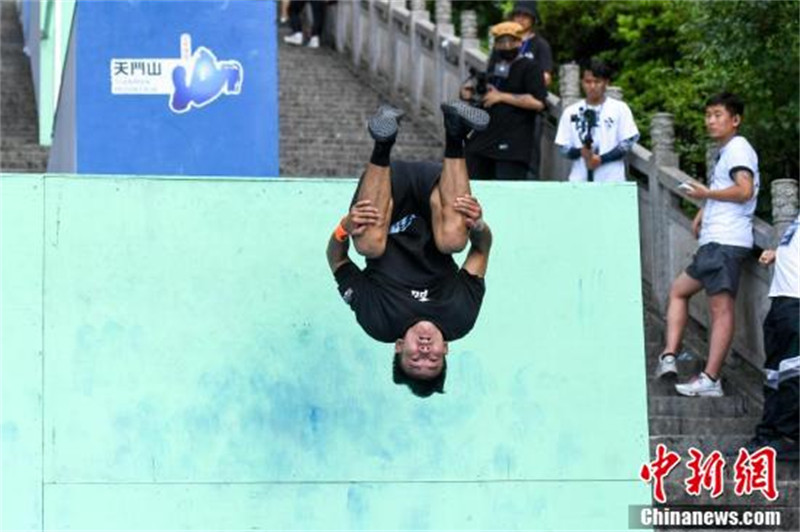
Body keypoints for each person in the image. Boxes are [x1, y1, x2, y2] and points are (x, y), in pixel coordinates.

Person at [327, 102, 493, 397]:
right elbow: (480, 252)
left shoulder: (379, 321)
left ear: (400, 347)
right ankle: (455, 132)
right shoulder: (460, 317)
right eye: (433, 359)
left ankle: (383, 142)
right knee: (455, 240)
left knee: (367, 245)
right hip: (437, 199)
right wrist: (478, 225)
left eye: (415, 358)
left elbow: (337, 260)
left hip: (384, 194)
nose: (425, 351)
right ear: (446, 349)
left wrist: (345, 227)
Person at [654, 92, 760, 398]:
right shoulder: (726, 151)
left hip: (727, 241)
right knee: (679, 290)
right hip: (716, 241)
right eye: (708, 115)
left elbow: (744, 190)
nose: (710, 121)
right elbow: (728, 188)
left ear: (735, 120)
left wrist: (705, 196)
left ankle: (711, 378)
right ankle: (669, 356)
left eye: (717, 115)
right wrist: (704, 210)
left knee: (721, 309)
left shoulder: (739, 148)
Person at [461, 22, 547, 181]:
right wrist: (470, 93)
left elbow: (538, 102)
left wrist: (501, 96)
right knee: (473, 187)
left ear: (520, 42)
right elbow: (486, 93)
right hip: (484, 140)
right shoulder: (494, 67)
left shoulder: (531, 67)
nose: (506, 46)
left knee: (507, 193)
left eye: (511, 41)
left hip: (512, 145)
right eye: (501, 42)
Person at [745, 215, 799, 460]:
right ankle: (768, 434)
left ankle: (791, 438)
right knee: (773, 375)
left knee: (793, 373)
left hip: (797, 303)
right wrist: (778, 252)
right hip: (781, 299)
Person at [554, 58, 639, 183]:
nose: (592, 86)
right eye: (588, 82)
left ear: (606, 83)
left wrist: (601, 159)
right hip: (579, 180)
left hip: (612, 179)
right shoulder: (571, 112)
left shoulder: (620, 108)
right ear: (582, 82)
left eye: (597, 82)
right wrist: (580, 152)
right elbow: (563, 147)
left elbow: (628, 142)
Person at [510, 1, 553, 87]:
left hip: (528, 95)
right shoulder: (504, 42)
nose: (521, 19)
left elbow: (546, 78)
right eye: (517, 15)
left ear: (533, 19)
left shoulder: (541, 44)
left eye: (526, 15)